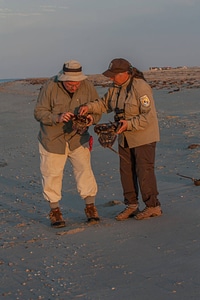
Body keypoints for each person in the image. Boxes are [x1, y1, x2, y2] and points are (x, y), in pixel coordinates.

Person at [79, 58, 162, 221]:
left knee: (144, 171)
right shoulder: (115, 88)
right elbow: (104, 104)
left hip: (143, 137)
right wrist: (89, 107)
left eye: (114, 75)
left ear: (126, 73)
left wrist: (129, 124)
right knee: (126, 171)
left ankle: (153, 206)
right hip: (124, 137)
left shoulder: (141, 87)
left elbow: (148, 117)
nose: (111, 78)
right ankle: (131, 205)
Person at [34, 60, 101, 228]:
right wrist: (57, 118)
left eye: (77, 83)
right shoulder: (50, 86)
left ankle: (90, 207)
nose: (74, 86)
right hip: (52, 139)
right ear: (63, 79)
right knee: (52, 175)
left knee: (85, 171)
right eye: (71, 84)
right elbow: (39, 112)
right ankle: (55, 211)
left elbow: (98, 108)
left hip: (78, 138)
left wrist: (92, 118)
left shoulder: (87, 86)